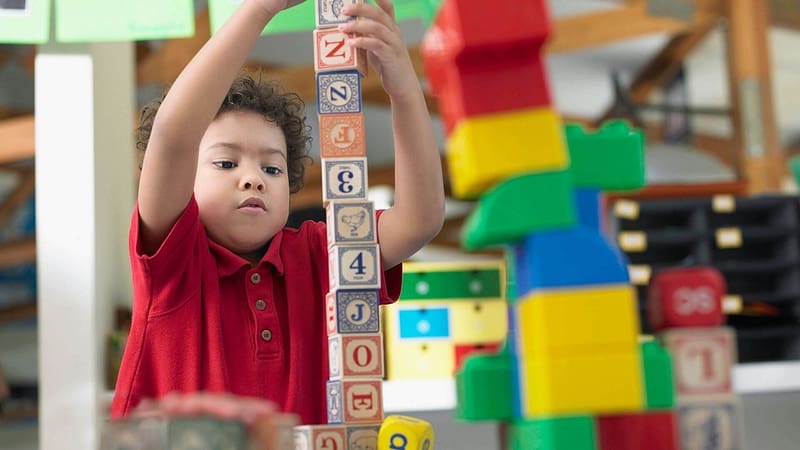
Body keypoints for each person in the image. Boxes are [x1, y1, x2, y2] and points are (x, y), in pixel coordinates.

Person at [110, 0, 444, 426]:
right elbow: (173, 136)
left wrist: (401, 85)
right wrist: (259, 9)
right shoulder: (173, 263)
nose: (253, 179)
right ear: (182, 179)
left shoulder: (320, 253)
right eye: (226, 163)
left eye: (272, 167)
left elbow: (421, 219)